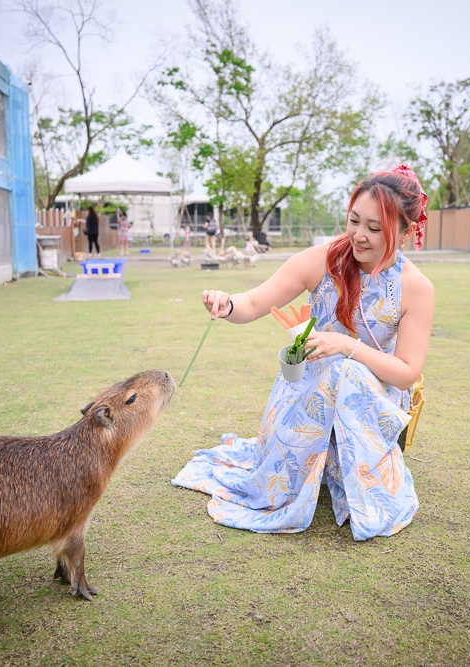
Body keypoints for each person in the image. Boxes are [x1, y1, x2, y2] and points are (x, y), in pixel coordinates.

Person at [172, 165, 434, 540]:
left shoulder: (416, 288)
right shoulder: (322, 260)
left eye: (375, 228)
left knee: (347, 371)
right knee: (333, 372)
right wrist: (227, 303)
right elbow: (255, 301)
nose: (359, 235)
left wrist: (346, 346)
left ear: (406, 232)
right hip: (307, 388)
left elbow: (407, 372)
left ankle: (359, 483)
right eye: (354, 221)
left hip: (372, 395)